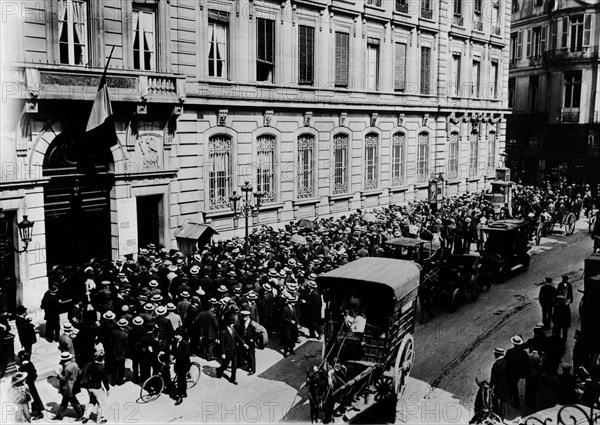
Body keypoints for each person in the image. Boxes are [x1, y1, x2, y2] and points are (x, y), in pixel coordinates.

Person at [53, 352, 84, 421]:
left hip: (68, 388)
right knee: (65, 401)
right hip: (74, 385)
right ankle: (59, 415)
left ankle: (81, 414)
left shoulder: (67, 368)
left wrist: (58, 374)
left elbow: (63, 379)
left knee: (73, 402)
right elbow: (78, 373)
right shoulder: (74, 364)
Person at [81, 351, 110, 424]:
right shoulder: (101, 367)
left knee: (92, 402)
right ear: (102, 358)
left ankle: (85, 416)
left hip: (89, 387)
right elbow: (105, 380)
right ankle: (99, 419)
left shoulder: (90, 365)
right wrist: (107, 389)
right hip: (97, 388)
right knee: (101, 404)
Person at [17, 351, 44, 420]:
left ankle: (38, 413)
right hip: (30, 384)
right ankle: (36, 411)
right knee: (33, 397)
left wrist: (26, 380)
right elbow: (35, 374)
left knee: (31, 398)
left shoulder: (23, 366)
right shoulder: (30, 364)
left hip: (28, 385)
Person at [504, 335, 529, 409]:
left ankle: (516, 401)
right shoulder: (523, 353)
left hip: (511, 372)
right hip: (519, 372)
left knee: (512, 385)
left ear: (513, 344)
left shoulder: (509, 351)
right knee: (513, 384)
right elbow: (526, 363)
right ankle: (513, 398)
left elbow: (506, 362)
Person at [217, 319, 239, 385]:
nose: (233, 325)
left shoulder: (233, 330)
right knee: (225, 365)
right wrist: (223, 353)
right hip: (227, 352)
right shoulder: (224, 332)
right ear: (229, 324)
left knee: (234, 366)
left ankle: (233, 379)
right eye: (232, 324)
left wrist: (244, 343)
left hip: (234, 351)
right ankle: (219, 370)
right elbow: (222, 344)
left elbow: (237, 337)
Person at [171, 329, 191, 405]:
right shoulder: (175, 342)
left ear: (180, 335)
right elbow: (173, 350)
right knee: (180, 378)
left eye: (176, 335)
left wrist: (176, 360)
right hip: (178, 363)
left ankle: (180, 396)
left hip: (184, 364)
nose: (175, 336)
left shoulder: (185, 344)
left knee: (181, 380)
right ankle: (184, 393)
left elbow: (185, 355)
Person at [489, 348, 508, 419]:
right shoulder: (506, 361)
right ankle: (502, 416)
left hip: (498, 386)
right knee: (503, 401)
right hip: (506, 385)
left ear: (497, 354)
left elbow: (494, 378)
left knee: (495, 400)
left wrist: (491, 386)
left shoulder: (496, 365)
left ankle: (496, 415)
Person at [111, 318, 129, 386]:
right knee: (121, 368)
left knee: (114, 367)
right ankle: (119, 381)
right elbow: (126, 345)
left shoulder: (113, 332)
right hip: (122, 352)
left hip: (114, 351)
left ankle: (113, 381)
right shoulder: (125, 334)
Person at [238, 310, 256, 375]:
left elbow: (258, 334)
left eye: (245, 316)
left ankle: (253, 369)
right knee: (245, 354)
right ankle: (249, 365)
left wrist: (252, 339)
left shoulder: (252, 323)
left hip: (250, 342)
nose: (243, 318)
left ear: (248, 316)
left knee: (251, 355)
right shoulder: (243, 322)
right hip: (245, 342)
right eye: (242, 316)